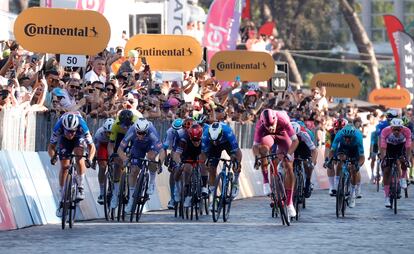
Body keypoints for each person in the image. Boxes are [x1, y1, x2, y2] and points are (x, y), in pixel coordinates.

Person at [252, 109, 299, 217]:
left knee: (288, 165)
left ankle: (289, 203)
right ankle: (265, 181)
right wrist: (257, 157)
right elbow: (255, 146)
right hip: (268, 137)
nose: (271, 128)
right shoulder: (260, 125)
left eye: (272, 125)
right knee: (263, 150)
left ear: (276, 119)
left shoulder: (283, 119)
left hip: (284, 135)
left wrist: (288, 154)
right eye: (267, 126)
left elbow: (295, 141)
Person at [48, 112, 96, 217]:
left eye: (72, 131)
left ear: (76, 129)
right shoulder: (58, 127)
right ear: (63, 128)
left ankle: (80, 186)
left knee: (79, 156)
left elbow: (92, 147)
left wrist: (90, 159)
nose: (70, 134)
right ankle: (62, 196)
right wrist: (53, 156)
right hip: (63, 140)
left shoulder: (82, 126)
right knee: (64, 167)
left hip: (79, 138)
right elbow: (51, 147)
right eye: (68, 132)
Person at [118, 118, 162, 213]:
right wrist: (125, 159)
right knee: (133, 170)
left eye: (143, 133)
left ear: (147, 131)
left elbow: (161, 150)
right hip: (138, 146)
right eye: (139, 133)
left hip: (150, 145)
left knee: (151, 157)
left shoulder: (151, 131)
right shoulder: (132, 130)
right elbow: (120, 149)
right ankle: (131, 199)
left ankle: (152, 182)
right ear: (136, 130)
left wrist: (160, 163)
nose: (141, 135)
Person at [200, 122, 242, 203]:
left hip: (227, 143)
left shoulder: (227, 131)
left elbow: (237, 151)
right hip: (213, 147)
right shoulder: (205, 135)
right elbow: (203, 153)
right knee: (211, 169)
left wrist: (236, 161)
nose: (216, 142)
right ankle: (213, 197)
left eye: (217, 140)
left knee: (236, 161)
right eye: (214, 140)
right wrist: (206, 163)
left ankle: (236, 182)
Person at [108, 109, 140, 209]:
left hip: (135, 135)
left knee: (135, 159)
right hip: (121, 136)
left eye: (127, 125)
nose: (125, 127)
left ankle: (132, 192)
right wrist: (112, 156)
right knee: (117, 162)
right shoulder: (116, 126)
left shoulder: (136, 123)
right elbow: (111, 144)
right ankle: (115, 193)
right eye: (123, 125)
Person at [328, 125, 365, 208]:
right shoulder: (339, 135)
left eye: (349, 138)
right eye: (346, 138)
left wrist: (358, 165)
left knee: (353, 169)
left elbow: (362, 157)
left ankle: (352, 194)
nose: (347, 139)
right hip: (343, 147)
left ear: (353, 136)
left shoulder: (358, 137)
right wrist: (330, 160)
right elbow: (332, 150)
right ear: (343, 136)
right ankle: (338, 183)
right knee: (340, 160)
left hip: (354, 149)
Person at [173, 123, 207, 208]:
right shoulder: (184, 139)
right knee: (185, 168)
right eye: (194, 140)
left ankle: (203, 187)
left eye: (198, 140)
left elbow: (208, 154)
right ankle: (185, 190)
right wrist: (179, 163)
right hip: (187, 154)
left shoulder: (205, 138)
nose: (196, 143)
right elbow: (177, 154)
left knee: (203, 163)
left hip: (200, 153)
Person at [379, 118, 412, 207]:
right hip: (389, 147)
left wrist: (407, 159)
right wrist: (383, 159)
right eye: (394, 129)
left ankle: (402, 179)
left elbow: (408, 147)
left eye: (399, 129)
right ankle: (386, 197)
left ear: (402, 128)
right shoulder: (385, 131)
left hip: (401, 147)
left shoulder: (407, 131)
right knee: (387, 170)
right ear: (391, 128)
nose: (397, 131)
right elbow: (382, 147)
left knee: (404, 161)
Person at [159, 118, 183, 209]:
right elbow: (164, 147)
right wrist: (164, 161)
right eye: (175, 130)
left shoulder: (187, 131)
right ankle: (173, 198)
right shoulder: (170, 131)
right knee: (173, 171)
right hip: (176, 148)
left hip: (186, 147)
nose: (176, 132)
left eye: (179, 130)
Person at [291, 122, 318, 198]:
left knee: (307, 164)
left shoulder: (305, 134)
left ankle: (308, 182)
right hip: (292, 143)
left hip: (304, 145)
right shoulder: (286, 132)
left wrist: (311, 163)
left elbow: (314, 151)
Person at [324, 118, 348, 196]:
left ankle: (340, 182)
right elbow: (327, 147)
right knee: (330, 163)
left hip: (344, 147)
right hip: (333, 147)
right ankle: (332, 187)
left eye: (341, 129)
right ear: (333, 128)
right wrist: (327, 159)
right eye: (337, 129)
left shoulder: (348, 133)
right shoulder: (329, 133)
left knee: (341, 162)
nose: (338, 131)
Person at [93, 118, 115, 204]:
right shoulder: (99, 133)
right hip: (102, 146)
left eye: (111, 133)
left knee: (116, 164)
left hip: (113, 145)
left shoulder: (117, 132)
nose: (109, 135)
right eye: (107, 132)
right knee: (102, 166)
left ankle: (116, 186)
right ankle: (102, 192)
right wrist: (94, 159)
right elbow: (94, 147)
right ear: (104, 130)